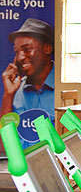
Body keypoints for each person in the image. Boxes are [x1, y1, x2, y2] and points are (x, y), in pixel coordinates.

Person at [0, 18, 54, 149]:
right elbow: (3, 146)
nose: (19, 58)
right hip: (24, 166)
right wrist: (8, 95)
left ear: (47, 48)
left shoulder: (63, 90)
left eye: (27, 49)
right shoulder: (15, 90)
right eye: (16, 52)